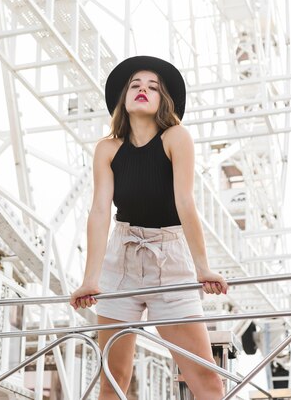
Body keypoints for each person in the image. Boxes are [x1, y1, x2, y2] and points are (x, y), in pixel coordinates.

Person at [70, 56, 228, 399]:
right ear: (123, 99)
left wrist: (203, 268)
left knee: (207, 379)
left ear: (163, 101)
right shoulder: (107, 149)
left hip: (168, 260)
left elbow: (185, 202)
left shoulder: (176, 138)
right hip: (121, 259)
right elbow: (99, 211)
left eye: (153, 86)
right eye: (135, 84)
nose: (143, 89)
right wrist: (90, 279)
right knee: (113, 381)